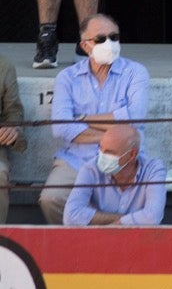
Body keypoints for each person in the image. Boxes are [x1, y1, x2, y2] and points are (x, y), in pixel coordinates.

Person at [39, 14, 148, 224]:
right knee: (51, 199)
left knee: (133, 201)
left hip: (123, 158)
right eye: (100, 39)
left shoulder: (135, 72)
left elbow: (134, 117)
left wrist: (81, 118)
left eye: (114, 37)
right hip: (75, 160)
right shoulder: (67, 78)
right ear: (85, 45)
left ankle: (104, 228)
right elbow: (61, 128)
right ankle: (104, 229)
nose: (109, 43)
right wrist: (115, 134)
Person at [63, 123, 165, 227]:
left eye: (109, 152)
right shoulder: (90, 169)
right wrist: (126, 220)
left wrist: (111, 227)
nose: (102, 156)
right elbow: (70, 216)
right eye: (101, 149)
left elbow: (152, 217)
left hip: (139, 240)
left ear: (132, 155)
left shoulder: (153, 169)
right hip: (99, 240)